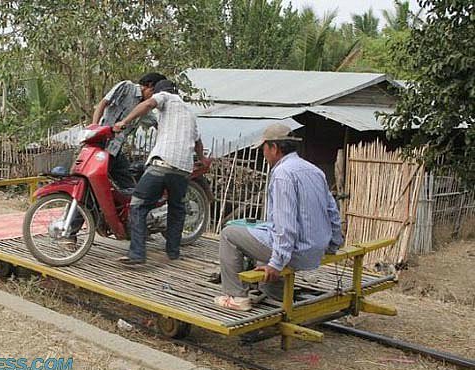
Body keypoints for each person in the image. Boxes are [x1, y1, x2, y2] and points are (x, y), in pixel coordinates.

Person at [214, 123, 343, 311]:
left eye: (264, 149)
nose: (263, 154)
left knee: (228, 233)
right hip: (316, 248)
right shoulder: (314, 170)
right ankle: (274, 292)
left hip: (297, 252)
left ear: (274, 148)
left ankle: (236, 296)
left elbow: (286, 224)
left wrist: (276, 263)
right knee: (263, 230)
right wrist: (333, 245)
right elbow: (333, 212)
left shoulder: (283, 174)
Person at [113, 79, 209, 265]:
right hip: (183, 170)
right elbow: (197, 141)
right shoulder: (189, 112)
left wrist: (124, 122)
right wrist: (203, 160)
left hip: (162, 163)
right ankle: (172, 253)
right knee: (177, 209)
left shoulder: (165, 97)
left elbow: (148, 104)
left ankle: (137, 254)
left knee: (138, 205)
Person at [92, 72, 166, 189]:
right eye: (154, 93)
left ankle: (130, 205)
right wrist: (94, 127)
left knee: (127, 183)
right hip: (101, 141)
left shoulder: (145, 108)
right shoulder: (127, 87)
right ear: (149, 86)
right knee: (93, 178)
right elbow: (103, 103)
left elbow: (156, 123)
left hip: (115, 149)